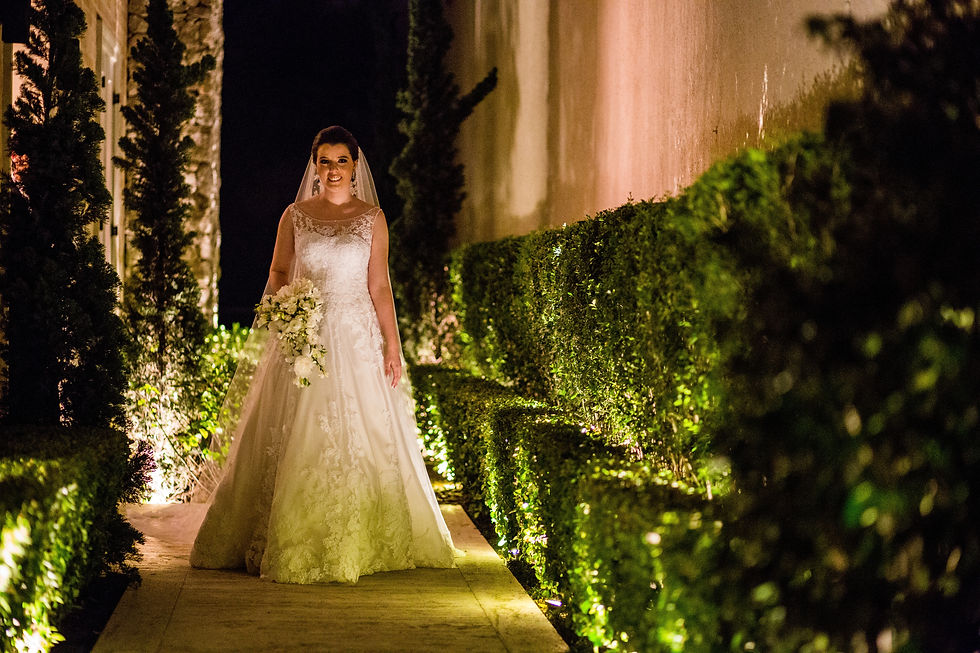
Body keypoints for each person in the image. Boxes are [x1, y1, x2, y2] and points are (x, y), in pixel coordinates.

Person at [189, 126, 457, 583]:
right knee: (295, 429)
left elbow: (379, 285)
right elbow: (278, 270)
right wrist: (288, 307)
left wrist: (392, 345)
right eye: (325, 161)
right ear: (314, 166)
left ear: (355, 166)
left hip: (355, 337)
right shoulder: (295, 215)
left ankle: (361, 539)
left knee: (362, 432)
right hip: (304, 336)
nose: (333, 170)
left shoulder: (372, 218)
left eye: (341, 161)